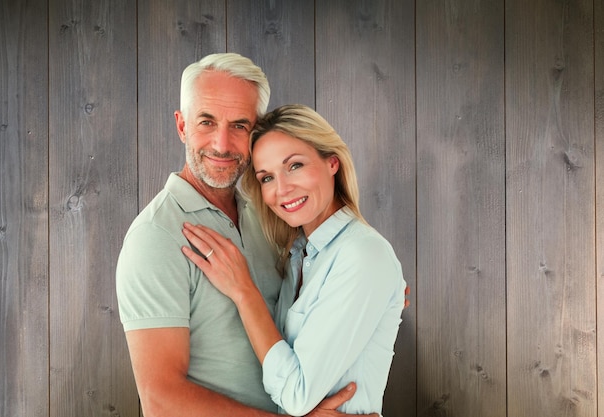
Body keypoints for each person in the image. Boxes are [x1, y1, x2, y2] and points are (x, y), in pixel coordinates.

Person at [116, 53, 376, 417]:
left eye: (240, 125)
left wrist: (374, 288)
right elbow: (161, 400)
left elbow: (317, 284)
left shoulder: (268, 214)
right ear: (182, 126)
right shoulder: (155, 236)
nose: (222, 144)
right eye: (207, 122)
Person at [181, 104, 407, 416]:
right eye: (267, 177)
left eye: (295, 166)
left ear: (332, 163)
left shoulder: (362, 254)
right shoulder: (300, 257)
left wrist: (244, 293)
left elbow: (297, 395)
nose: (282, 190)